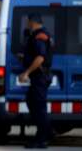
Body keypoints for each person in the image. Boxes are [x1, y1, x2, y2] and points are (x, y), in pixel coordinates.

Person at [19, 13, 53, 149]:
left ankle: (42, 139)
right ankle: (47, 132)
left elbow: (40, 58)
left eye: (28, 22)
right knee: (32, 102)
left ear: (32, 22)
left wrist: (26, 72)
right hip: (39, 76)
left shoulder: (40, 35)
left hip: (39, 76)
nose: (27, 24)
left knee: (39, 108)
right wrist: (25, 58)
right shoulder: (38, 35)